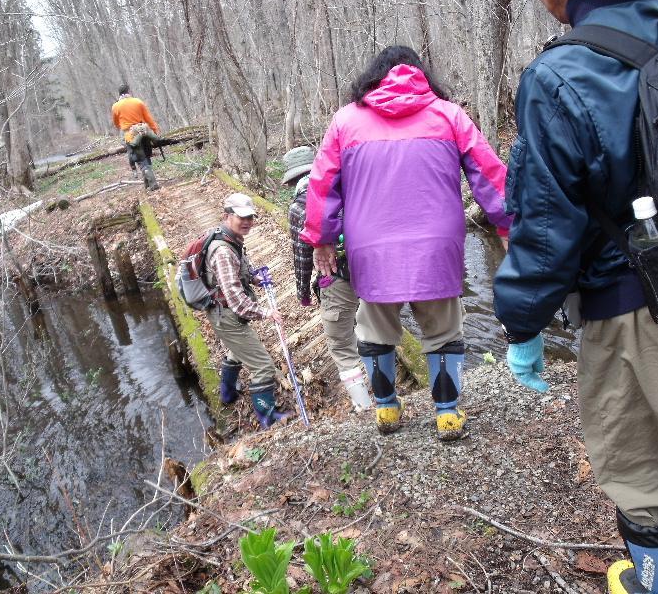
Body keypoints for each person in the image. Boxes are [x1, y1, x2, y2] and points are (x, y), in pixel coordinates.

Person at [492, 0, 658, 593]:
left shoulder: (560, 74)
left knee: (647, 480)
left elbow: (546, 227)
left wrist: (523, 325)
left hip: (630, 310)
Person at [300, 45, 512, 441]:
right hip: (437, 243)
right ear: (422, 75)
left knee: (375, 327)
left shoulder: (346, 122)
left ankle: (386, 410)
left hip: (371, 245)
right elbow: (487, 171)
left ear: (371, 76)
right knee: (443, 327)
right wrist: (506, 222)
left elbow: (322, 183)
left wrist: (321, 238)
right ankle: (447, 414)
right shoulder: (449, 115)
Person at [284, 146, 372, 412]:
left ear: (292, 180)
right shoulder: (348, 188)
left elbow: (301, 256)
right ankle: (386, 393)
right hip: (373, 273)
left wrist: (303, 293)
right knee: (375, 332)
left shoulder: (300, 207)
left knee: (341, 345)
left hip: (337, 279)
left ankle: (364, 406)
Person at [205, 192, 289, 429]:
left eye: (250, 217)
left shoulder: (232, 239)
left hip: (224, 314)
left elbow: (237, 275)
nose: (247, 222)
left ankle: (227, 394)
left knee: (236, 352)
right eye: (241, 217)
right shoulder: (223, 251)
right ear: (227, 216)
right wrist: (265, 313)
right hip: (228, 315)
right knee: (263, 366)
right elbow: (236, 300)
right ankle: (268, 418)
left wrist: (255, 279)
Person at [111, 84, 161, 191]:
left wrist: (125, 127)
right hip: (145, 132)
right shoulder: (138, 102)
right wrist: (155, 130)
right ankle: (147, 184)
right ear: (129, 91)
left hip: (131, 136)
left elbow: (116, 123)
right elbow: (149, 118)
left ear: (119, 94)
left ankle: (153, 184)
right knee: (146, 157)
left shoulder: (115, 106)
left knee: (141, 160)